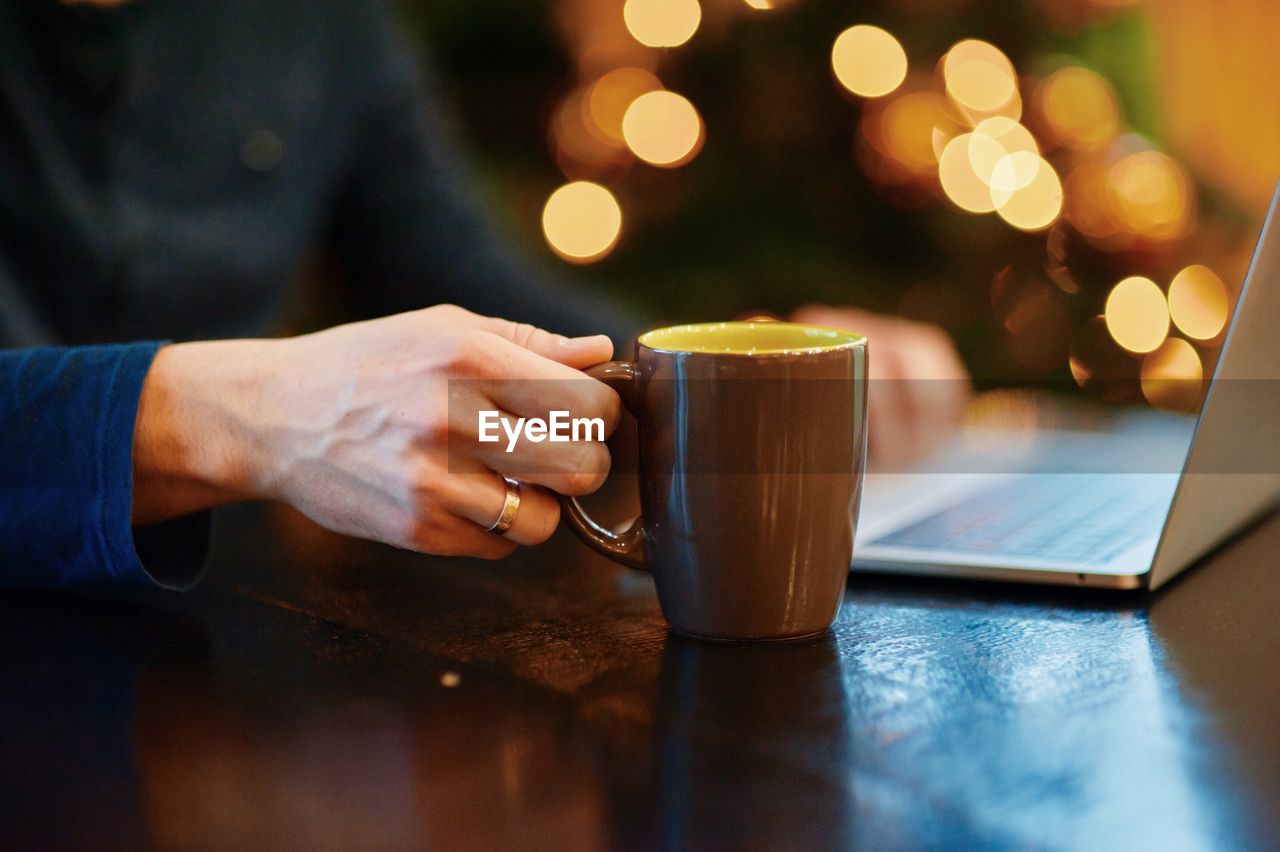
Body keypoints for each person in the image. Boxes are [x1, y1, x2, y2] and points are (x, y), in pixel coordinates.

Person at [0, 0, 969, 591]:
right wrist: (246, 417)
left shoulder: (320, 22)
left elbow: (465, 280)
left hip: (201, 676)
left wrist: (745, 381)